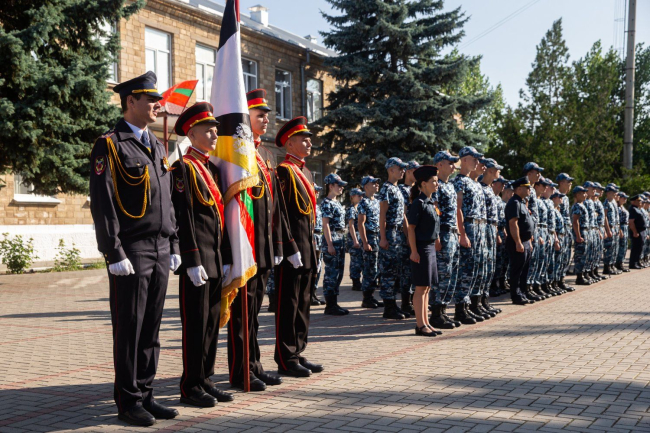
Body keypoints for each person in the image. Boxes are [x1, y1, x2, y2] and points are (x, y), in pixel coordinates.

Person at [90, 72, 181, 426]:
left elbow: (167, 201)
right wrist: (113, 251)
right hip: (132, 250)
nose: (158, 105)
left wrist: (174, 242)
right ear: (131, 101)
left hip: (160, 248)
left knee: (151, 330)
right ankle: (128, 401)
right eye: (151, 99)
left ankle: (145, 394)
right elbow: (103, 202)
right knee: (130, 329)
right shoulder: (110, 145)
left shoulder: (156, 145)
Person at [170, 102, 234, 406]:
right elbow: (182, 216)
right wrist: (191, 258)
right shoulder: (182, 168)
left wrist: (227, 255)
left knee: (210, 324)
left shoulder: (212, 168)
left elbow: (220, 218)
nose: (214, 135)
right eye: (208, 130)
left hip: (215, 259)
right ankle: (190, 385)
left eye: (215, 130)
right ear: (191, 134)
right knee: (195, 325)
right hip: (197, 261)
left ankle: (206, 379)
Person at [227, 89, 291, 393]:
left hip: (262, 247)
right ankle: (240, 370)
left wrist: (277, 245)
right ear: (245, 116)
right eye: (260, 115)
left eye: (267, 115)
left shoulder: (264, 154)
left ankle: (255, 365)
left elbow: (273, 204)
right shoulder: (237, 154)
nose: (266, 119)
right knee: (242, 315)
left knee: (253, 313)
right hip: (245, 245)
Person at [274, 116, 323, 377]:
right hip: (292, 248)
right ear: (289, 143)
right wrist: (288, 246)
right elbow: (281, 214)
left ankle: (298, 350)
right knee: (289, 303)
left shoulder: (305, 171)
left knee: (303, 303)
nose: (308, 143)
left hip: (308, 246)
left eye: (309, 140)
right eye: (303, 139)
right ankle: (286, 357)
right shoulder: (284, 171)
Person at [452, 146, 487, 325]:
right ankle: (460, 308)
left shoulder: (474, 183)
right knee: (465, 269)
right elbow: (457, 209)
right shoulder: (459, 182)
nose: (477, 162)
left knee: (475, 267)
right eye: (474, 159)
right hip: (468, 226)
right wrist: (462, 233)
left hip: (479, 227)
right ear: (464, 160)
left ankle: (471, 305)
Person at [407, 166, 442, 337]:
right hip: (421, 249)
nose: (437, 184)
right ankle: (420, 325)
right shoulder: (418, 203)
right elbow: (411, 228)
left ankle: (426, 322)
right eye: (433, 181)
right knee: (420, 288)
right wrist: (414, 251)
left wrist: (437, 239)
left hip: (430, 248)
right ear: (423, 184)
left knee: (427, 287)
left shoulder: (430, 202)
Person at [429, 151, 461, 329]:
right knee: (441, 275)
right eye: (450, 163)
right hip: (443, 233)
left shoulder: (450, 186)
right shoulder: (437, 186)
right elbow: (434, 213)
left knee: (451, 274)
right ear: (439, 164)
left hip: (453, 234)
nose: (453, 166)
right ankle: (435, 313)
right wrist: (437, 237)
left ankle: (443, 311)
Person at [378, 157, 410, 320]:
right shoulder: (386, 189)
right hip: (390, 233)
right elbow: (382, 215)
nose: (403, 171)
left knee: (397, 270)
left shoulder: (397, 189)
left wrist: (408, 236)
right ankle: (388, 307)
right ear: (391, 170)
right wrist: (383, 238)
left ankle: (394, 305)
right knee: (389, 270)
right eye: (400, 168)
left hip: (399, 234)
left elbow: (403, 215)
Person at [321, 173, 349, 315]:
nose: (342, 188)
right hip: (332, 239)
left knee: (338, 272)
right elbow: (325, 225)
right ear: (331, 186)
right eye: (339, 185)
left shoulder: (337, 202)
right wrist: (330, 244)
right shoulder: (327, 203)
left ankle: (334, 303)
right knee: (331, 273)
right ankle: (330, 305)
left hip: (339, 239)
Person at [477, 158, 502, 315]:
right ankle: (477, 303)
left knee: (489, 267)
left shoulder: (489, 189)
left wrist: (496, 232)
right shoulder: (481, 187)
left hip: (491, 229)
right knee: (482, 267)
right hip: (483, 229)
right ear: (490, 171)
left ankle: (484, 301)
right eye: (497, 169)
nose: (499, 172)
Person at [504, 177, 536, 305]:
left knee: (524, 270)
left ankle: (522, 293)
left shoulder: (522, 202)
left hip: (525, 241)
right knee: (517, 270)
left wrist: (529, 241)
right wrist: (518, 242)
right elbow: (513, 223)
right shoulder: (514, 203)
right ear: (519, 189)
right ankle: (516, 296)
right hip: (518, 241)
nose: (529, 189)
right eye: (527, 187)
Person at [358, 176, 383, 309]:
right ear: (366, 186)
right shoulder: (364, 202)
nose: (376, 185)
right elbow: (361, 224)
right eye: (373, 183)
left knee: (376, 269)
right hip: (369, 237)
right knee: (369, 269)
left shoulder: (377, 201)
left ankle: (372, 296)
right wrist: (365, 242)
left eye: (377, 183)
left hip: (378, 237)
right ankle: (366, 298)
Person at [399, 160, 420, 316]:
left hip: (418, 234)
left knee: (415, 270)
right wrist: (407, 234)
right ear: (408, 172)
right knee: (406, 270)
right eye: (414, 171)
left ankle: (415, 301)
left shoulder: (417, 189)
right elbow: (403, 214)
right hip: (406, 234)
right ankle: (406, 303)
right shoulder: (401, 190)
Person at [523, 162, 544, 297]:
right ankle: (525, 288)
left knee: (534, 260)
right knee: (527, 262)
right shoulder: (525, 188)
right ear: (529, 173)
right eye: (537, 172)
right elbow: (525, 211)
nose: (539, 175)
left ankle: (529, 287)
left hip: (534, 229)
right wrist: (528, 233)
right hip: (528, 230)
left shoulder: (532, 189)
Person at [555, 173, 575, 291]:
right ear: (561, 183)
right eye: (568, 182)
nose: (570, 185)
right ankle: (555, 282)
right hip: (559, 230)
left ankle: (562, 280)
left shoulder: (566, 198)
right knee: (558, 257)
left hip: (566, 230)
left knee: (566, 256)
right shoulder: (556, 195)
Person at [491, 176, 509, 296]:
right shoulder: (493, 197)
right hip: (495, 231)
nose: (503, 186)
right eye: (501, 184)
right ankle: (493, 286)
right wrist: (497, 233)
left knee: (501, 261)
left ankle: (499, 283)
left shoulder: (498, 199)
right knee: (495, 260)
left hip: (501, 231)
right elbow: (494, 219)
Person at [572, 186, 592, 285]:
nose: (585, 195)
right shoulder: (577, 206)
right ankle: (579, 277)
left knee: (584, 255)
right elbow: (575, 221)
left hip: (585, 231)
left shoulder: (581, 205)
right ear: (577, 194)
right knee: (580, 255)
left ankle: (583, 275)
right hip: (581, 231)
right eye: (583, 193)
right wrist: (578, 236)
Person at [347, 188, 365, 292]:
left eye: (362, 195)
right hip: (355, 237)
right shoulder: (351, 209)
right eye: (359, 196)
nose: (361, 197)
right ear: (352, 197)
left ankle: (359, 282)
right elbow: (351, 226)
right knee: (355, 261)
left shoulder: (360, 208)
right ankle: (356, 283)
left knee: (361, 260)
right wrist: (355, 240)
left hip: (360, 236)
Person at [311, 184, 325, 305]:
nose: (317, 193)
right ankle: (309, 294)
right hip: (313, 238)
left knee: (318, 267)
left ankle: (314, 293)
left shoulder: (317, 206)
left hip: (319, 238)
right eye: (316, 191)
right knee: (313, 267)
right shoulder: (309, 205)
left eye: (318, 191)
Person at [603, 184, 621, 275]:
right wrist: (608, 229)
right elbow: (605, 216)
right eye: (613, 192)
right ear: (609, 193)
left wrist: (618, 229)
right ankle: (607, 267)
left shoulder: (614, 202)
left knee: (614, 248)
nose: (615, 194)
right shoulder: (606, 202)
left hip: (615, 227)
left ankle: (612, 265)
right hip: (610, 227)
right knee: (609, 248)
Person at [628, 194, 648, 269]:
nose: (640, 202)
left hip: (641, 231)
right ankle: (633, 264)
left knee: (639, 248)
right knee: (636, 248)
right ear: (634, 201)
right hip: (637, 231)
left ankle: (637, 262)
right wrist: (635, 232)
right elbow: (631, 222)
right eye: (639, 201)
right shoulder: (633, 209)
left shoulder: (637, 209)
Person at [616, 192, 631, 272]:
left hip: (625, 227)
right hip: (621, 226)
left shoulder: (622, 207)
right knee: (620, 245)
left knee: (624, 245)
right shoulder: (617, 207)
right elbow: (617, 220)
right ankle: (618, 263)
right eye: (623, 198)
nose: (625, 199)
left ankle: (621, 262)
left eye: (626, 198)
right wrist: (619, 230)